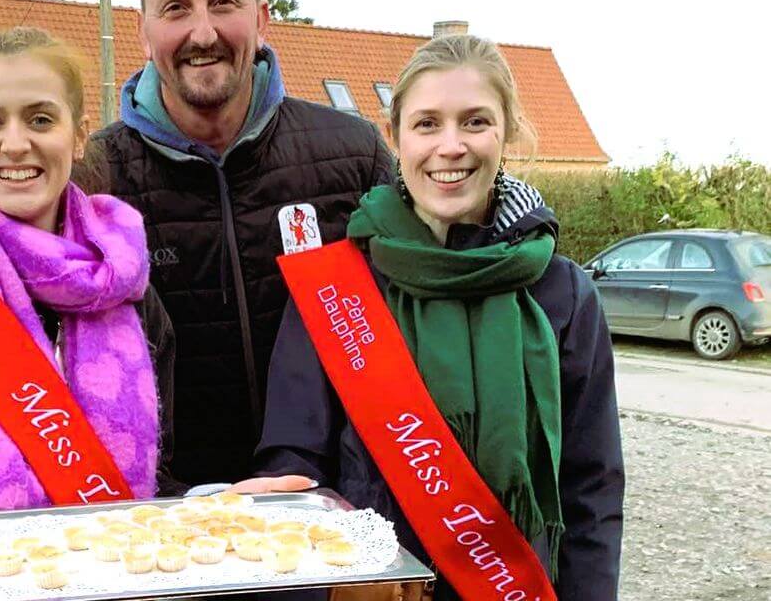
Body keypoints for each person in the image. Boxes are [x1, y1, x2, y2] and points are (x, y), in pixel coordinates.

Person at [0, 27, 307, 601]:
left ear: (78, 136)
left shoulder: (130, 290)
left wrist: (217, 512)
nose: (14, 143)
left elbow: (148, 488)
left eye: (40, 119)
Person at [257, 34, 625, 599]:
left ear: (508, 132)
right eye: (427, 124)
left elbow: (591, 491)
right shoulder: (334, 290)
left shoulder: (563, 294)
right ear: (394, 137)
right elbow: (295, 470)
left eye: (475, 122)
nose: (450, 146)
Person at [92, 0, 394, 486]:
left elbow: (441, 264)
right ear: (144, 29)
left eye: (223, 2)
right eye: (176, 8)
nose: (202, 33)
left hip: (327, 519)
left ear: (260, 19)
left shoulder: (356, 156)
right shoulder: (94, 178)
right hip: (161, 528)